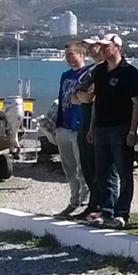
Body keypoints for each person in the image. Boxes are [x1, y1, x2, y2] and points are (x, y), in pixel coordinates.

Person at [86, 34, 138, 229]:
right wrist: (92, 127)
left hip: (121, 128)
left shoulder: (129, 72)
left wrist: (132, 131)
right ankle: (107, 210)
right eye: (101, 46)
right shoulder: (99, 71)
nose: (102, 49)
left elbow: (137, 103)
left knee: (124, 172)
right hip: (101, 128)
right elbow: (96, 101)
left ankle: (122, 213)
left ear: (117, 47)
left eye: (106, 46)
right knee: (103, 172)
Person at [54, 40, 90, 218]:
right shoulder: (65, 75)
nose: (68, 59)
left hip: (78, 125)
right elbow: (61, 98)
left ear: (81, 54)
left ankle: (85, 201)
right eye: (66, 56)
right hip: (64, 125)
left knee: (82, 166)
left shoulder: (88, 74)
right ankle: (73, 199)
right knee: (69, 167)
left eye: (71, 55)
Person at [71, 36, 105, 220]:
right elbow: (74, 97)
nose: (90, 49)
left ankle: (100, 205)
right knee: (87, 167)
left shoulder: (103, 70)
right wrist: (80, 94)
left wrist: (81, 95)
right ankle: (92, 203)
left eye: (94, 46)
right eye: (88, 46)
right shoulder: (89, 70)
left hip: (95, 123)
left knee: (96, 166)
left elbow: (91, 97)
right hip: (83, 122)